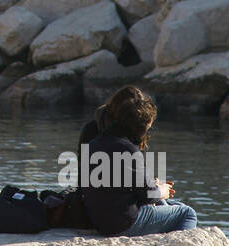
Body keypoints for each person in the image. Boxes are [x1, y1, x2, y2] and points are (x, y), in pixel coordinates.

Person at [79, 86, 197, 236]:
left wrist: (152, 187)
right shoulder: (128, 149)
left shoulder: (93, 144)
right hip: (123, 223)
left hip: (100, 220)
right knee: (187, 212)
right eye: (148, 128)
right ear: (140, 127)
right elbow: (148, 195)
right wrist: (162, 190)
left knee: (175, 206)